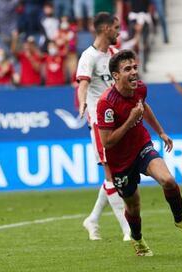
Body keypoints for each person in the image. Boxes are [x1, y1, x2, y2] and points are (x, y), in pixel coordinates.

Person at [97, 49, 182, 257]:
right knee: (134, 207)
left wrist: (161, 132)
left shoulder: (140, 89)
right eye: (128, 69)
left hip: (142, 147)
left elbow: (143, 107)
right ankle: (137, 239)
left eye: (135, 67)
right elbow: (107, 143)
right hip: (120, 162)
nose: (134, 72)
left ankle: (180, 220)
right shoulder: (106, 104)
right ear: (116, 75)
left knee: (169, 181)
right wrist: (130, 120)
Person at [76, 12, 130, 242]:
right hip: (99, 123)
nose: (119, 31)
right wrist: (82, 104)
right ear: (106, 28)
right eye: (116, 27)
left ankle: (93, 219)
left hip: (117, 120)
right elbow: (83, 85)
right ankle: (127, 229)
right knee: (111, 173)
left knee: (115, 172)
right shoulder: (88, 57)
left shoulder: (115, 55)